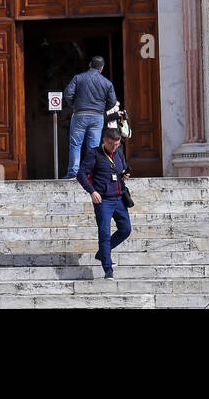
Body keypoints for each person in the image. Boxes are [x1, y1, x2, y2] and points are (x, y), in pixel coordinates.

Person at [77, 125, 131, 279]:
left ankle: (102, 253)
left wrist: (125, 174)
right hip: (103, 200)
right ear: (104, 141)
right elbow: (81, 174)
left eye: (117, 144)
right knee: (104, 233)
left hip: (119, 198)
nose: (114, 147)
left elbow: (122, 169)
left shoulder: (119, 152)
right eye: (111, 144)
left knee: (126, 229)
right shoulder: (94, 153)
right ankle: (108, 268)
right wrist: (92, 191)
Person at [64, 55, 119, 178]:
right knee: (93, 146)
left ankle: (73, 173)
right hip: (97, 117)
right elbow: (112, 101)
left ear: (90, 64)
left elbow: (68, 93)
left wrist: (74, 105)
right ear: (102, 68)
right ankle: (89, 173)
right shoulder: (107, 83)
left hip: (80, 115)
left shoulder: (78, 78)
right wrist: (102, 109)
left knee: (75, 144)